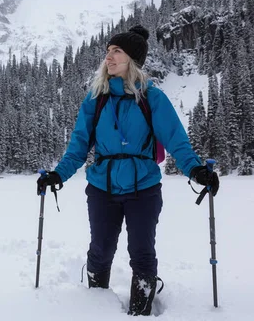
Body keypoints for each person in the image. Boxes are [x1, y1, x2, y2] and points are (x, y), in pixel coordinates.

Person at [37, 25, 219, 316]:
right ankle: (96, 308)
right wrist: (58, 175)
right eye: (108, 52)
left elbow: (177, 141)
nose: (108, 57)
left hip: (143, 189)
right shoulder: (96, 99)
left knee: (142, 253)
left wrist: (197, 171)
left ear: (132, 60)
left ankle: (141, 311)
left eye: (116, 52)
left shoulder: (152, 98)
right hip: (102, 188)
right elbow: (78, 146)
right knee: (100, 251)